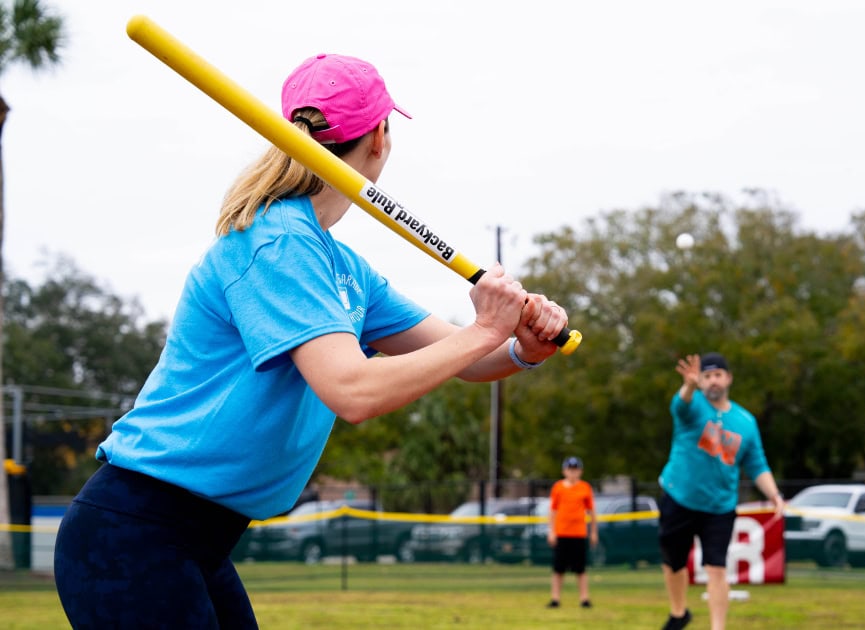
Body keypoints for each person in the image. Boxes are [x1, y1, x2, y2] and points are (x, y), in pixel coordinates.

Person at [53, 52, 568, 628]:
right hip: (135, 531)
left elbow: (466, 358)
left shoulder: (339, 265)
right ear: (380, 138)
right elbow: (354, 392)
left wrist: (522, 346)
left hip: (196, 538)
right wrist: (485, 329)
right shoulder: (279, 243)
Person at [657, 352, 786, 630]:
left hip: (720, 506)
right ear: (700, 380)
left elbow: (756, 463)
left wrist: (774, 495)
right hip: (679, 497)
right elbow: (680, 405)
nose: (713, 381)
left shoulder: (746, 422)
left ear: (728, 378)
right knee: (673, 563)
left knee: (716, 567)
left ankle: (718, 627)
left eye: (717, 375)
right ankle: (679, 613)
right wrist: (690, 385)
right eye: (707, 376)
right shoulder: (693, 407)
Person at [546, 456, 598, 609]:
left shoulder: (585, 488)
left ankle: (584, 598)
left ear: (580, 471)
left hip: (579, 533)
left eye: (575, 470)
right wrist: (552, 531)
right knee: (558, 569)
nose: (572, 473)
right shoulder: (558, 488)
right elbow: (553, 511)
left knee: (580, 569)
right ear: (564, 471)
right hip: (562, 532)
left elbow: (591, 511)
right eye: (570, 469)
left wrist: (594, 532)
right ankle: (555, 598)